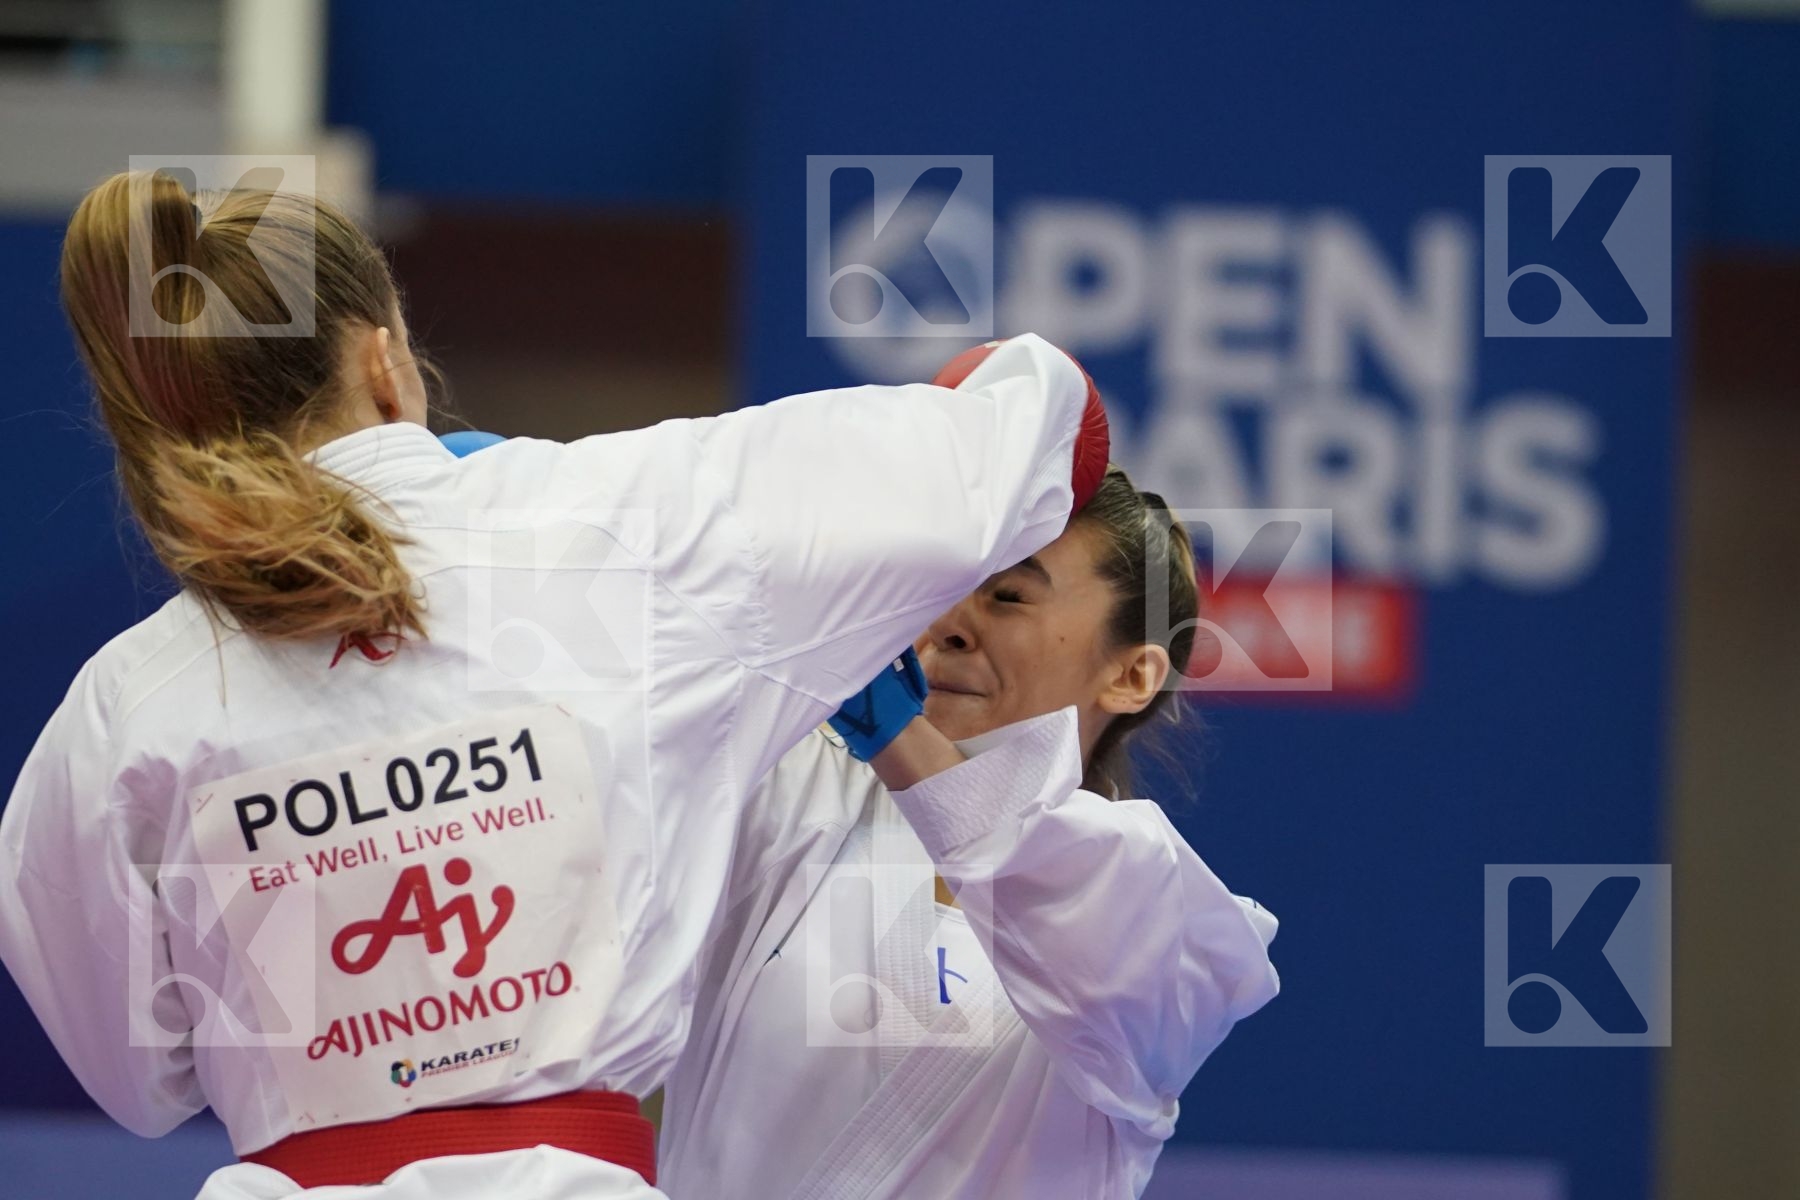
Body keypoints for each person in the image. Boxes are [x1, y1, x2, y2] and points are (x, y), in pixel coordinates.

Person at [0, 170, 1109, 1200]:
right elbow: (1052, 436)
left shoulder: (122, 709)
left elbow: (140, 1084)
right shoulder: (645, 525)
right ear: (385, 365)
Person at [658, 464, 1281, 1200]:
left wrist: (892, 731)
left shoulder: (1165, 920)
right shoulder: (794, 787)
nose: (949, 623)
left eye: (1008, 596)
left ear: (1131, 677)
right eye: (942, 588)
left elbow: (1041, 867)